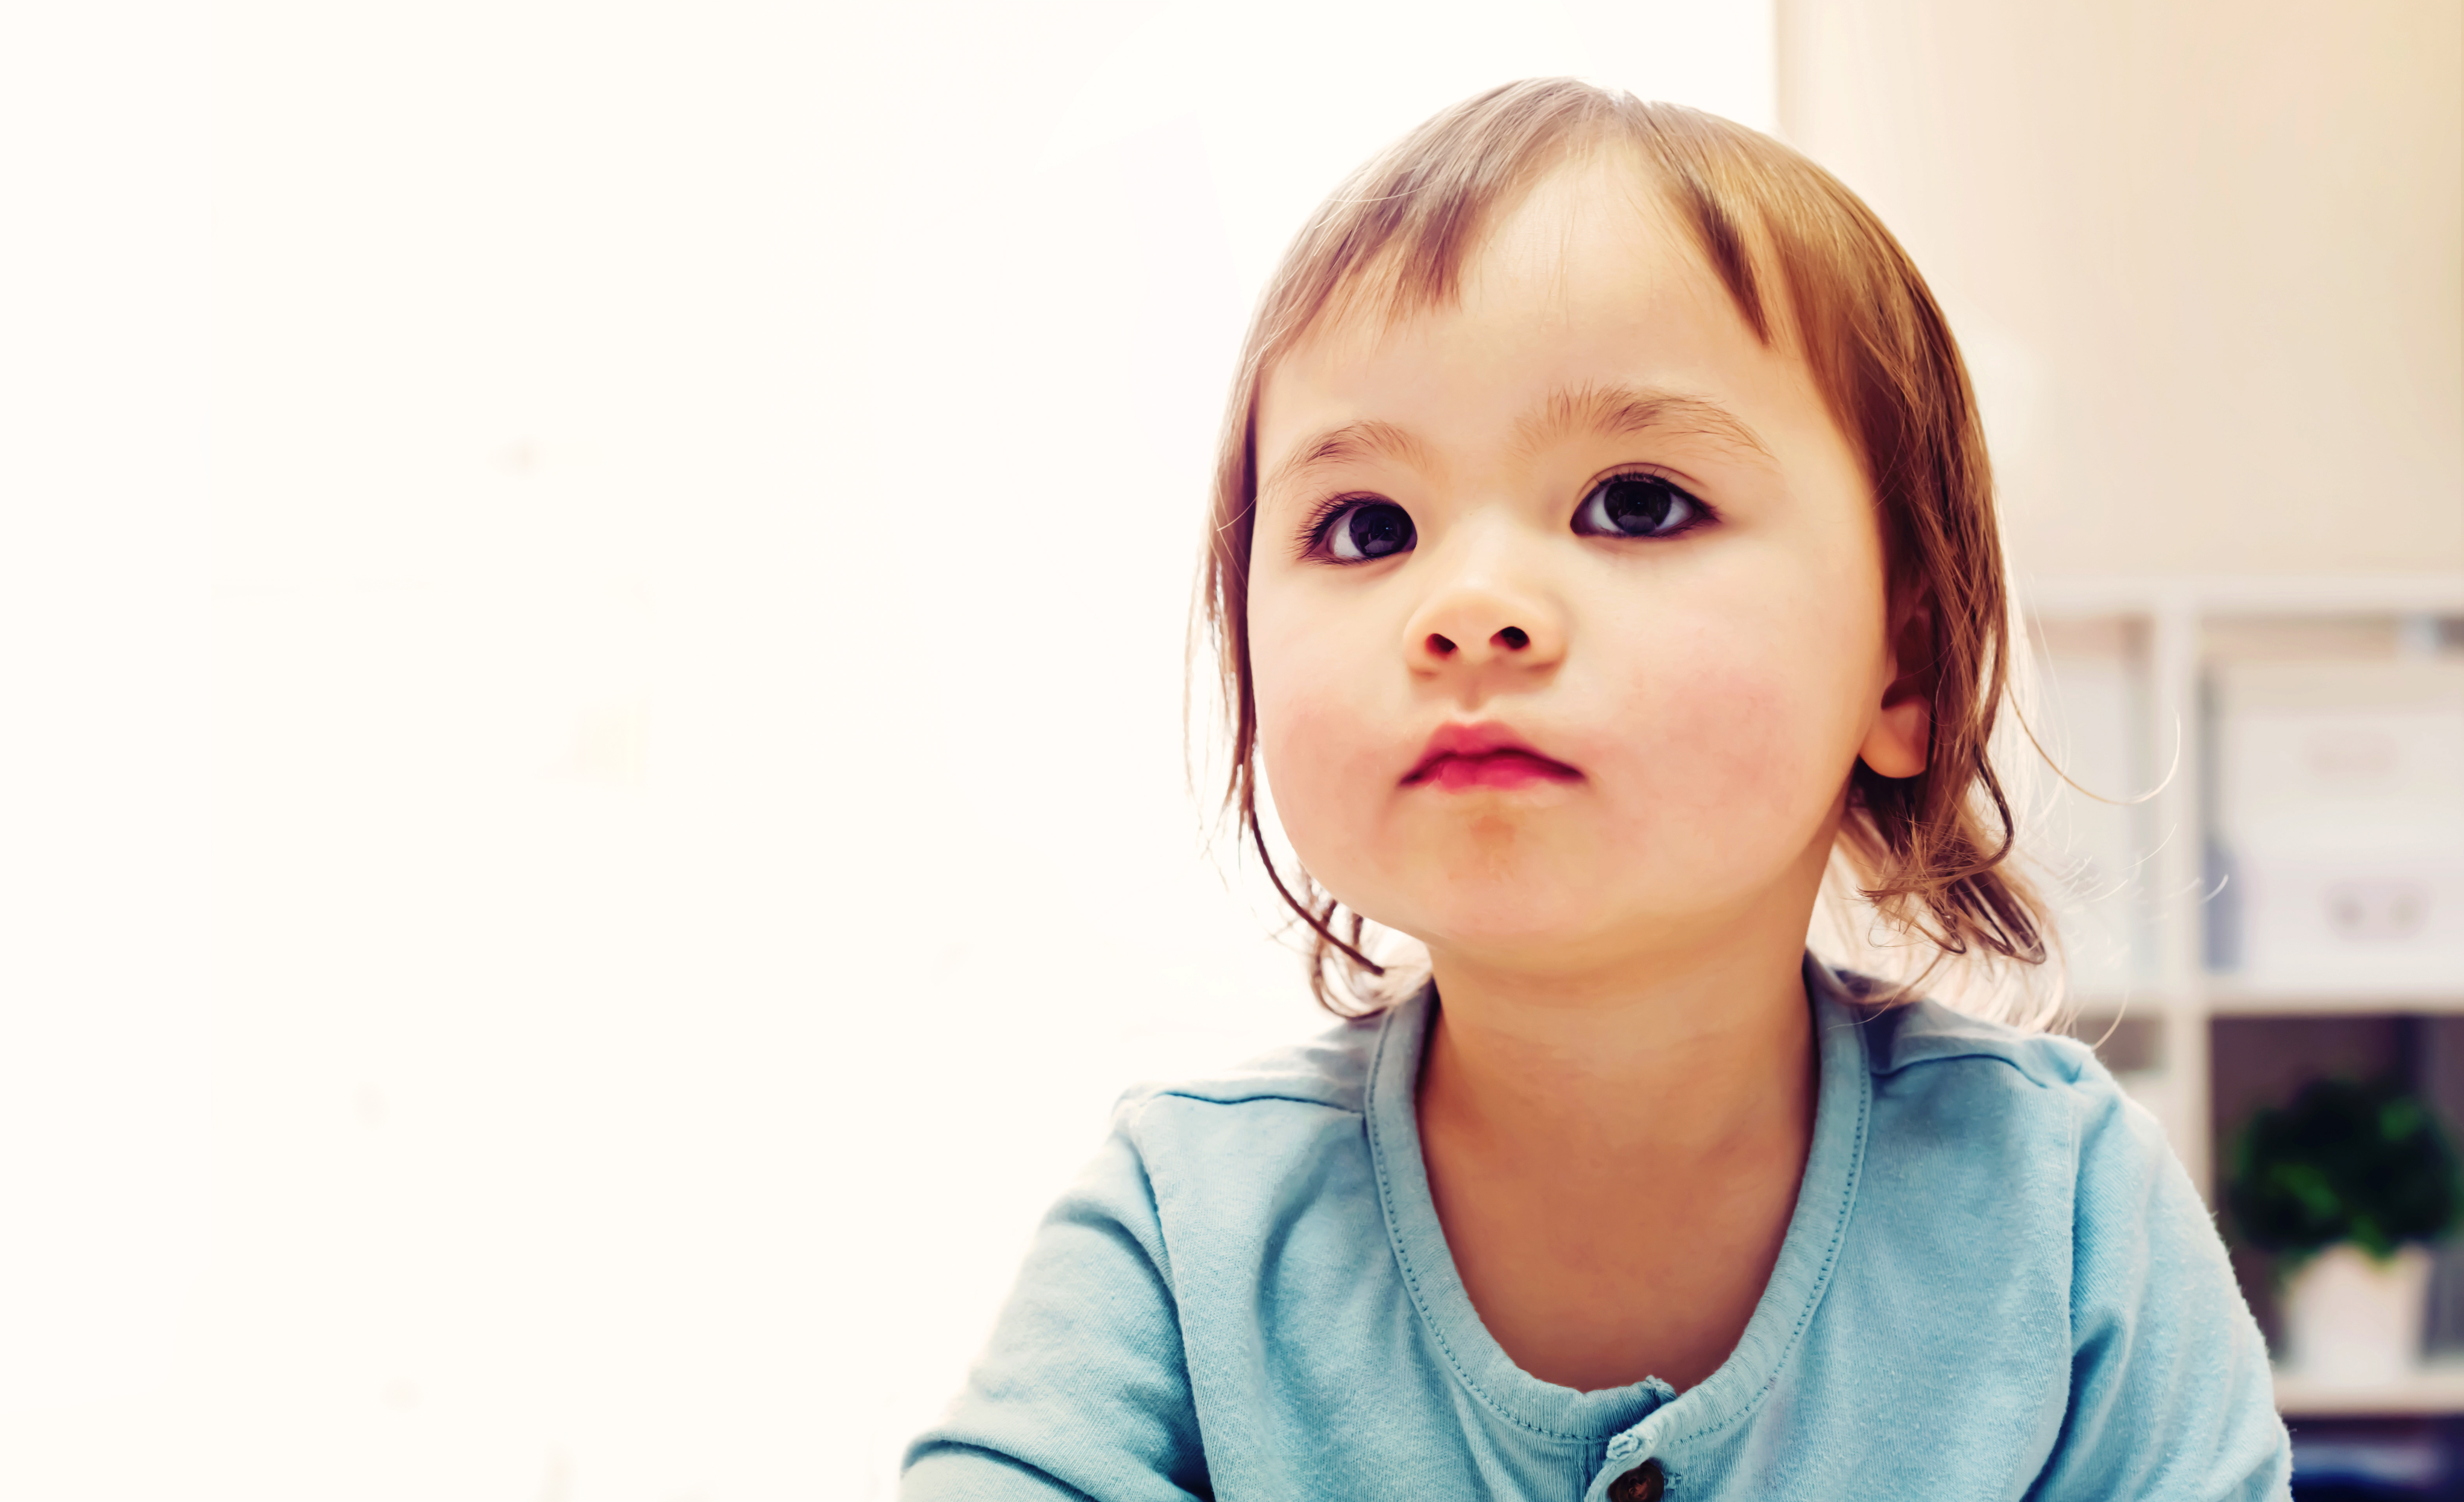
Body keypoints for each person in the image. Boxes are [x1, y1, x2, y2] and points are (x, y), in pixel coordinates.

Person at [903, 79, 2289, 1500]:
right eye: (1368, 526)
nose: (1469, 607)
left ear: (1904, 665)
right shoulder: (1181, 1231)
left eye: (1636, 502)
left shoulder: (2065, 1221)